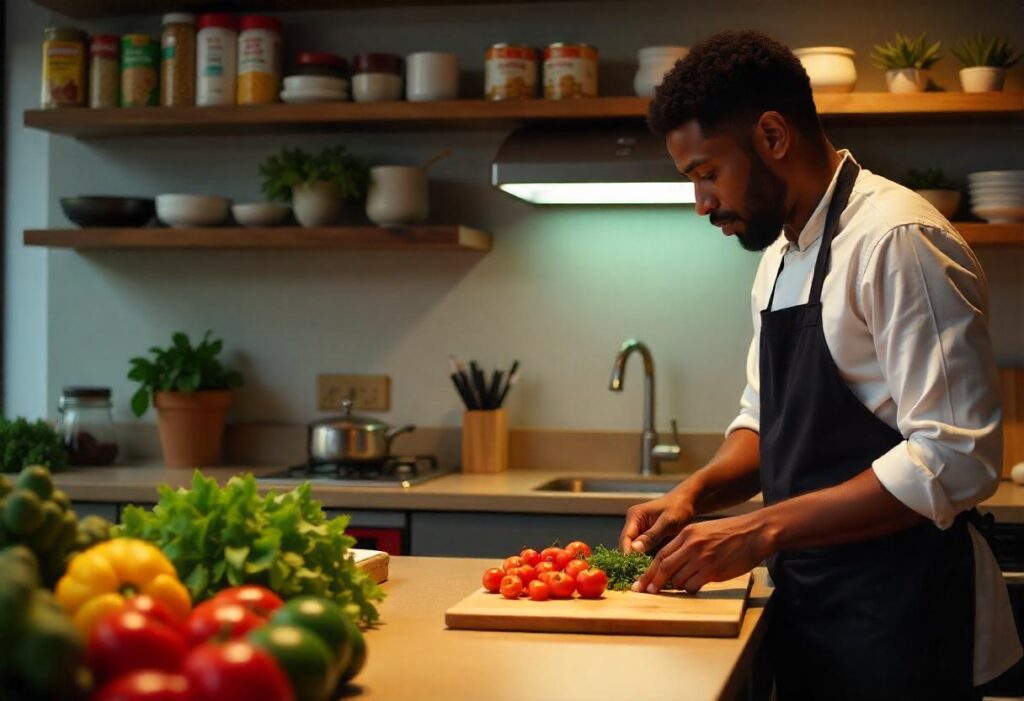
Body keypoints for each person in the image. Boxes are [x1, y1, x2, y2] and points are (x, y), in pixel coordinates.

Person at [618, 29, 1023, 700]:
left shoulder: (898, 239)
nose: (701, 203)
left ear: (773, 135)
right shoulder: (778, 260)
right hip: (815, 610)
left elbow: (956, 457)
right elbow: (762, 422)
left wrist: (759, 526)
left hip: (909, 621)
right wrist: (696, 493)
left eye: (707, 172)